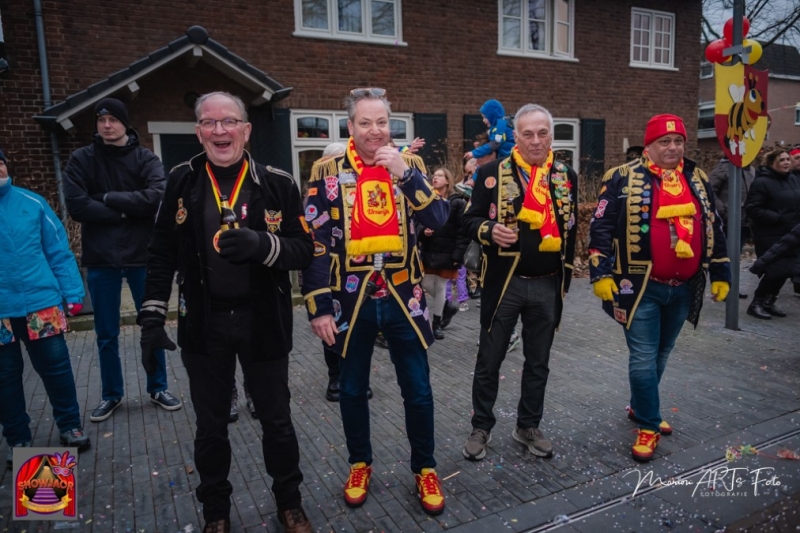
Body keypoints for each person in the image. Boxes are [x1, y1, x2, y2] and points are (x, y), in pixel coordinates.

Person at [137, 91, 314, 533]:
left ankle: (290, 502)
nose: (220, 130)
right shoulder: (180, 181)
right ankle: (215, 511)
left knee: (277, 421)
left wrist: (262, 245)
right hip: (204, 323)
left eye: (229, 121)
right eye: (210, 123)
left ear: (246, 130)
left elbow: (304, 249)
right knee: (210, 427)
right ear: (198, 132)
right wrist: (152, 316)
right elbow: (161, 252)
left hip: (264, 322)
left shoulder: (277, 183)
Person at [302, 87, 448, 515]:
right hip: (351, 298)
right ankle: (359, 464)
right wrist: (318, 306)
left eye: (382, 122)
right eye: (365, 123)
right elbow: (314, 242)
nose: (375, 130)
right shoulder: (327, 170)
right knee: (351, 389)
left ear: (390, 125)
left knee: (418, 389)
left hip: (405, 295)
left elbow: (438, 219)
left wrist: (406, 175)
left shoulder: (410, 165)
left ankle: (425, 468)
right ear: (351, 127)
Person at [588, 114, 731, 462]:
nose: (672, 147)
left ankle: (641, 407)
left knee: (661, 354)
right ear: (648, 145)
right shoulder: (621, 177)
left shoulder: (697, 178)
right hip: (638, 286)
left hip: (684, 287)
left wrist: (721, 271)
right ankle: (649, 425)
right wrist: (600, 273)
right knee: (643, 356)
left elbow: (713, 224)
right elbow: (601, 227)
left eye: (678, 141)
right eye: (664, 142)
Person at [461, 104, 578, 462]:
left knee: (538, 362)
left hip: (547, 283)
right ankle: (481, 426)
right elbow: (469, 220)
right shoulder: (491, 172)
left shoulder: (566, 175)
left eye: (543, 133)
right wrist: (488, 230)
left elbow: (572, 230)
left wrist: (565, 278)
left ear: (551, 136)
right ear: (515, 136)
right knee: (490, 359)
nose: (536, 140)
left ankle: (528, 425)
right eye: (528, 134)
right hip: (504, 283)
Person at [63, 97, 181, 422]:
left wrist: (105, 198)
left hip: (143, 256)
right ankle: (111, 394)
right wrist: (128, 210)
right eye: (101, 120)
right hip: (101, 259)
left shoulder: (145, 158)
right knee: (106, 333)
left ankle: (158, 387)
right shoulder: (81, 159)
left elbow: (156, 197)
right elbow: (77, 205)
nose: (107, 125)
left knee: (152, 324)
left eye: (113, 119)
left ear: (125, 123)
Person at [0, 148, 91, 467]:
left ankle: (70, 426)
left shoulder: (33, 203)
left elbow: (58, 251)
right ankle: (17, 438)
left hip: (41, 304)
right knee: (4, 377)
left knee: (56, 368)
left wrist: (73, 291)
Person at [744, 148, 800, 318]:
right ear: (771, 163)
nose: (786, 163)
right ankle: (756, 303)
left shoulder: (793, 179)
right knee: (775, 270)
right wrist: (776, 217)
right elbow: (752, 208)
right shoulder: (762, 182)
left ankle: (769, 301)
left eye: (788, 159)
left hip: (791, 233)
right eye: (782, 160)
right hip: (770, 234)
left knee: (787, 270)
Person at [418, 167, 470, 338]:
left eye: (440, 176)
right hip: (430, 249)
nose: (435, 178)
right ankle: (448, 305)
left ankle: (436, 323)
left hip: (448, 250)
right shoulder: (427, 200)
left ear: (448, 181)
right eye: (434, 176)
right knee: (426, 283)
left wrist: (458, 254)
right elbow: (418, 222)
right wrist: (423, 231)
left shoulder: (457, 203)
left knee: (440, 286)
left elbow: (463, 231)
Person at [708, 156, 755, 298]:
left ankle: (731, 287)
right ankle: (724, 287)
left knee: (735, 255)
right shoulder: (723, 169)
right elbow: (710, 191)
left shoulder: (751, 170)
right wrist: (723, 211)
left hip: (744, 221)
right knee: (726, 255)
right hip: (727, 222)